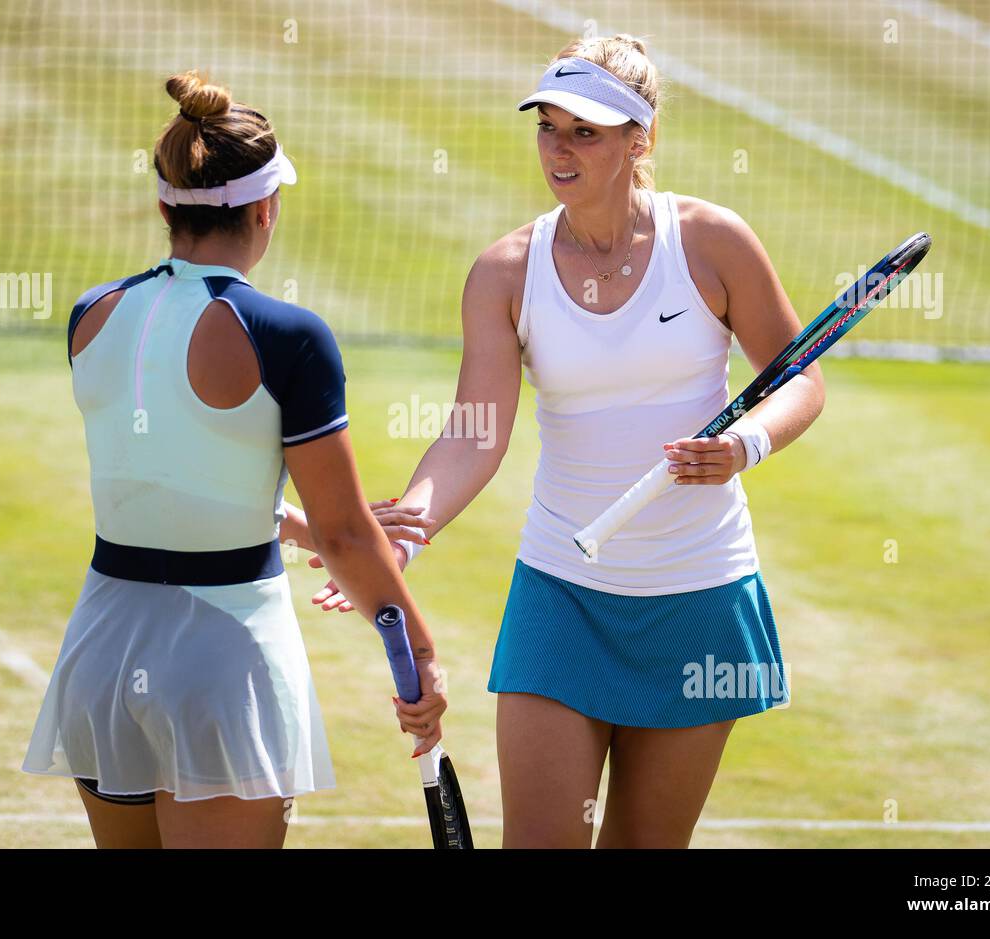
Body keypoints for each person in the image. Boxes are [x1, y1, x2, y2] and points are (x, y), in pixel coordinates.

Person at [313, 35, 823, 848]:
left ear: (639, 139)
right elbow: (474, 431)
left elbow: (801, 378)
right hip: (561, 599)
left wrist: (746, 444)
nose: (559, 148)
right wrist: (412, 522)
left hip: (700, 602)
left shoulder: (714, 242)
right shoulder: (505, 271)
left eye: (585, 131)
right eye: (548, 127)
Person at [22, 70, 444, 848]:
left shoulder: (92, 315)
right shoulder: (290, 335)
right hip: (224, 667)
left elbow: (170, 477)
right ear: (265, 209)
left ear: (164, 206)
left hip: (101, 653)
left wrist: (293, 527)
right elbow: (351, 534)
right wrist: (419, 649)